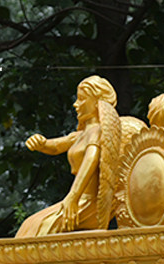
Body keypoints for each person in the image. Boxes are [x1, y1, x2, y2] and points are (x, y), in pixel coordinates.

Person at [16, 76, 118, 236]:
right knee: (30, 225)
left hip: (88, 203)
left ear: (97, 102)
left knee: (41, 229)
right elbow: (56, 146)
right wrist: (41, 143)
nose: (76, 104)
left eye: (82, 99)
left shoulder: (98, 131)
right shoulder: (80, 135)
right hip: (77, 199)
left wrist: (73, 197)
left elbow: (91, 160)